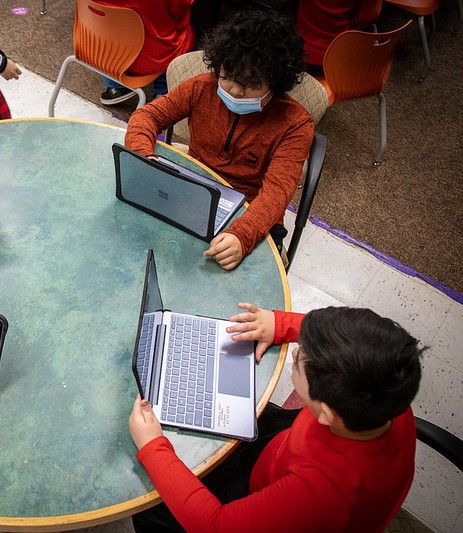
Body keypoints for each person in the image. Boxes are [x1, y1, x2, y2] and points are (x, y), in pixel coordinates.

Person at [128, 303, 424, 532]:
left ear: (327, 412)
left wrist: (153, 446)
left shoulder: (321, 493)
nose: (295, 352)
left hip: (265, 492)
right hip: (285, 447)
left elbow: (214, 525)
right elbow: (348, 338)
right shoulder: (386, 386)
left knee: (151, 509)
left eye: (298, 359)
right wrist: (280, 323)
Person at [124, 10, 313, 270]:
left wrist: (241, 236)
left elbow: (276, 194)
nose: (234, 90)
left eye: (250, 85)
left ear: (276, 83)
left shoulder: (295, 124)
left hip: (251, 208)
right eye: (226, 77)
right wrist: (147, 159)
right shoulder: (201, 87)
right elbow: (146, 117)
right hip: (194, 189)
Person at [96, 0, 195, 106]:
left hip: (98, 49)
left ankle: (115, 85)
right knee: (193, 29)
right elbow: (180, 10)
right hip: (145, 60)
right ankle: (163, 91)